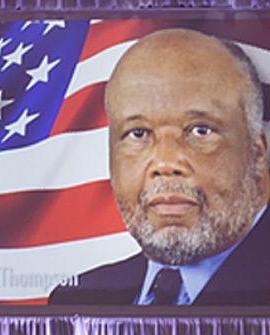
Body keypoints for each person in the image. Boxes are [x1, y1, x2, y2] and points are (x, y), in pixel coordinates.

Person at [49, 28, 270, 305]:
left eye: (200, 131)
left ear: (257, 154)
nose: (165, 163)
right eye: (138, 133)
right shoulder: (76, 301)